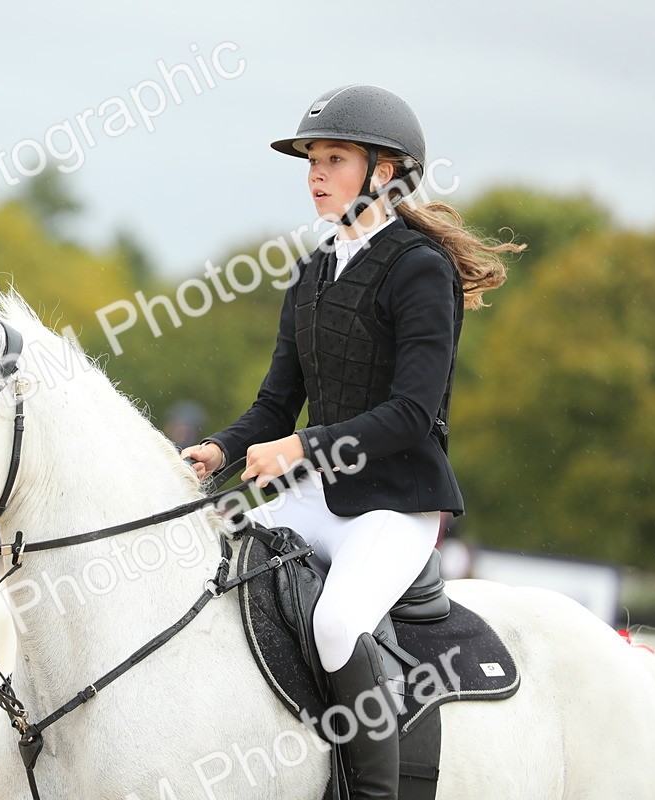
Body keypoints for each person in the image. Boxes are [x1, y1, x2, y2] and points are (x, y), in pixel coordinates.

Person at [181, 85, 523, 798]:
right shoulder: (311, 274)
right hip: (314, 498)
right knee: (211, 574)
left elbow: (411, 413)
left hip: (396, 506)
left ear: (383, 171)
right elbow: (275, 405)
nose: (315, 172)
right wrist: (219, 450)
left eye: (333, 158)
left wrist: (303, 449)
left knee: (337, 624)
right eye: (311, 159)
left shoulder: (419, 268)